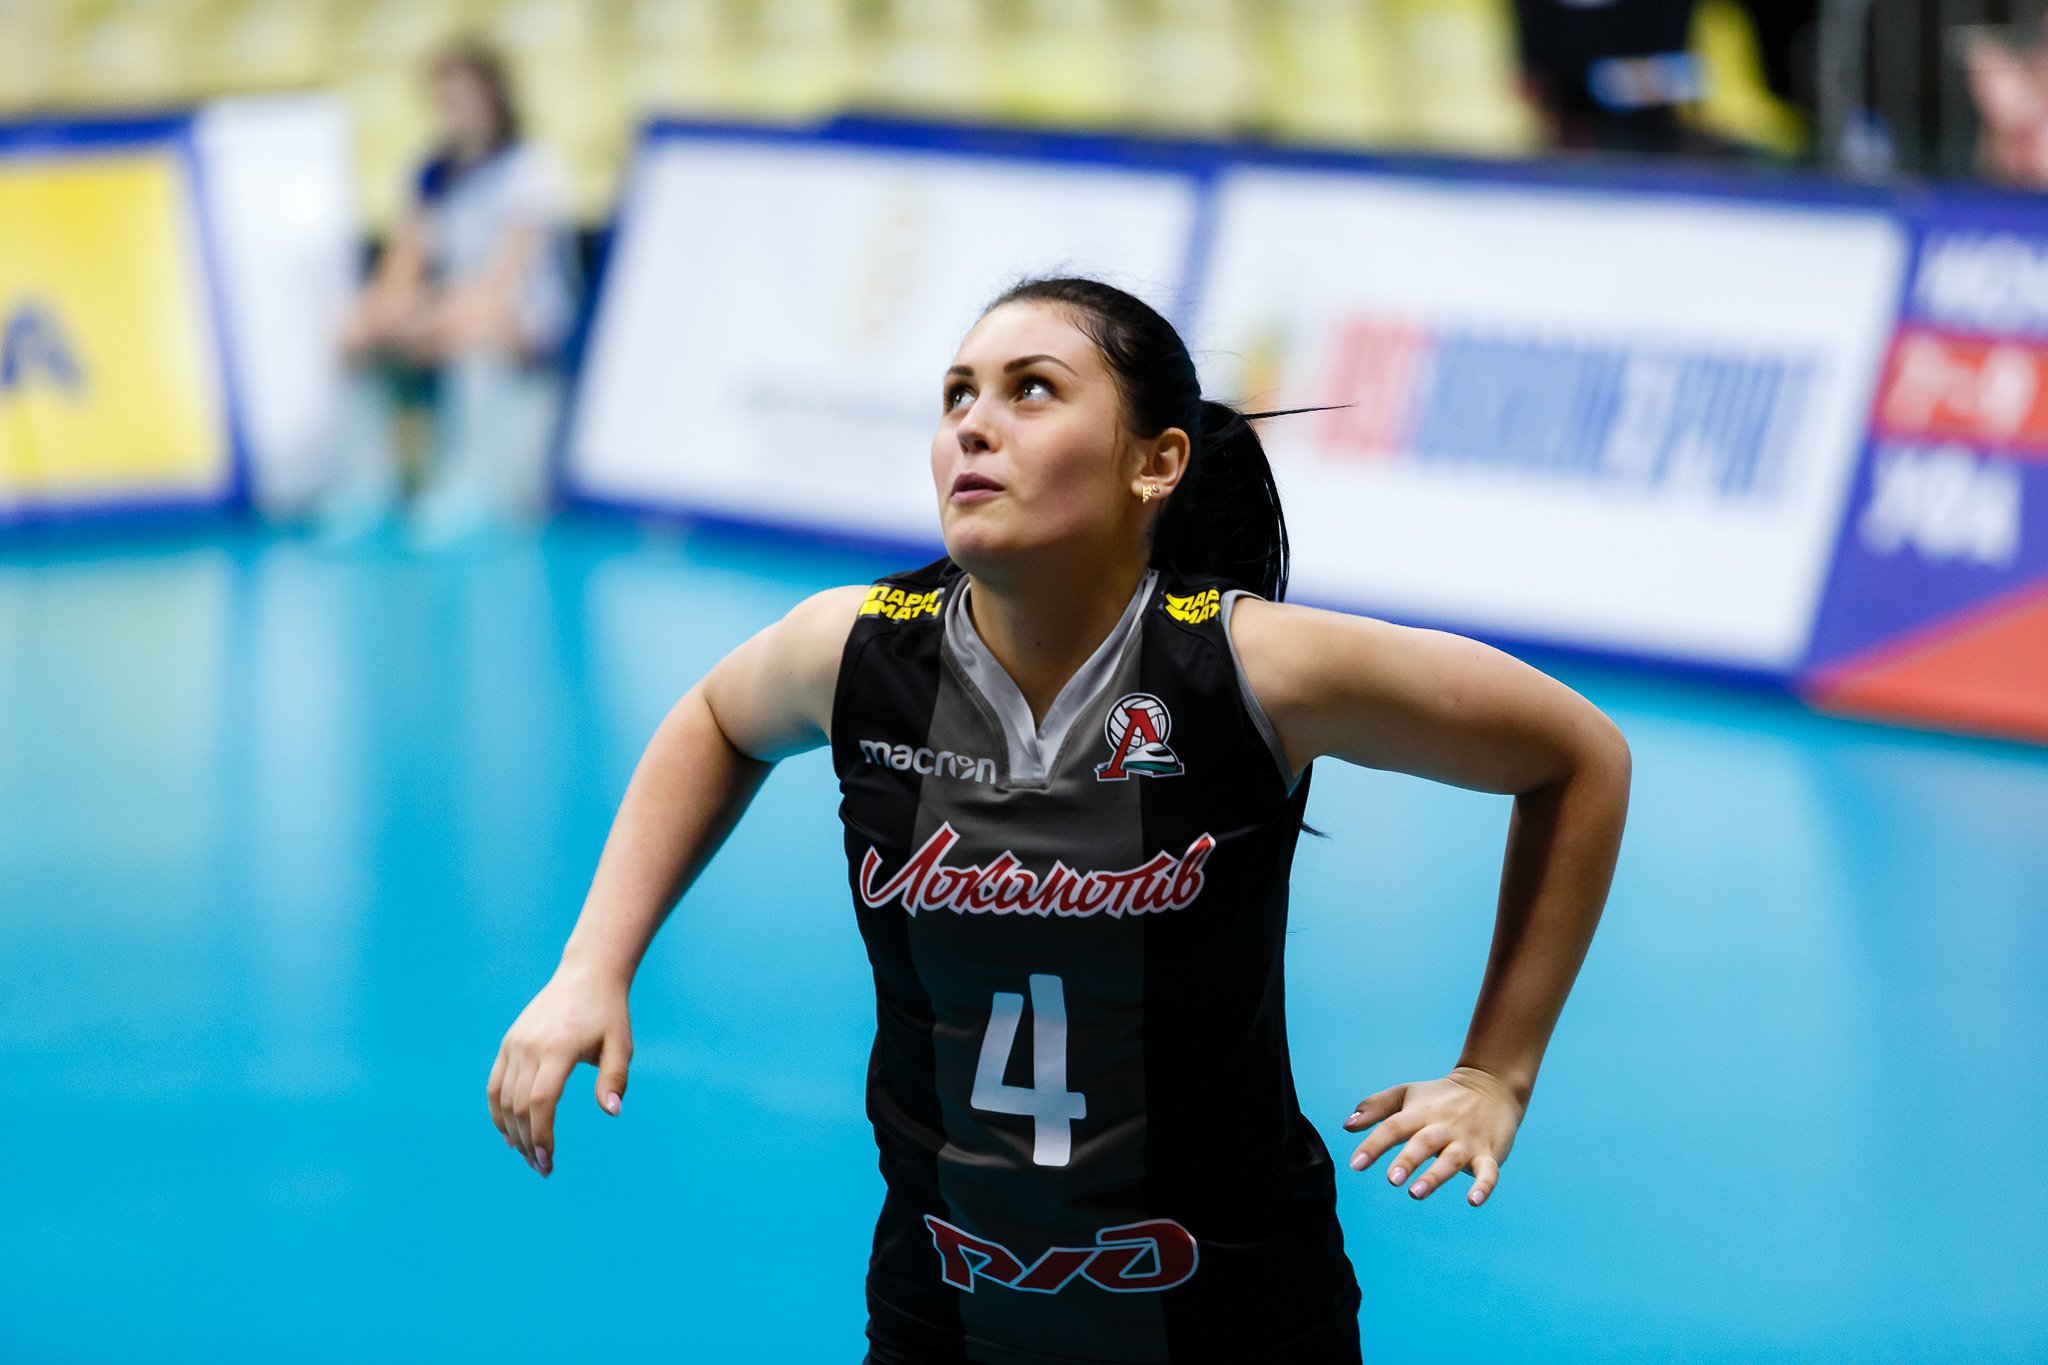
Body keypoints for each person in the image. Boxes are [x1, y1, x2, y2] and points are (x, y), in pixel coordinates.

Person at [485, 276, 1633, 1362]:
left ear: (1155, 463)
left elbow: (1576, 757)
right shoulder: (857, 651)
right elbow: (715, 721)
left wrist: (1495, 1072)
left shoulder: (1250, 669)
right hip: (945, 1309)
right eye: (956, 396)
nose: (973, 427)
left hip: (1231, 1315)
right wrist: (592, 966)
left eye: (1029, 390)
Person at [312, 36, 578, 552]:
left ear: (494, 96)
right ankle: (364, 481)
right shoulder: (432, 172)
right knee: (356, 331)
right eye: (443, 100)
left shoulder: (530, 168)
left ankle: (476, 484)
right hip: (453, 303)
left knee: (465, 334)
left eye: (463, 98)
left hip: (526, 315)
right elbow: (403, 259)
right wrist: (382, 313)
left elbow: (503, 284)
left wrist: (430, 321)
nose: (452, 111)